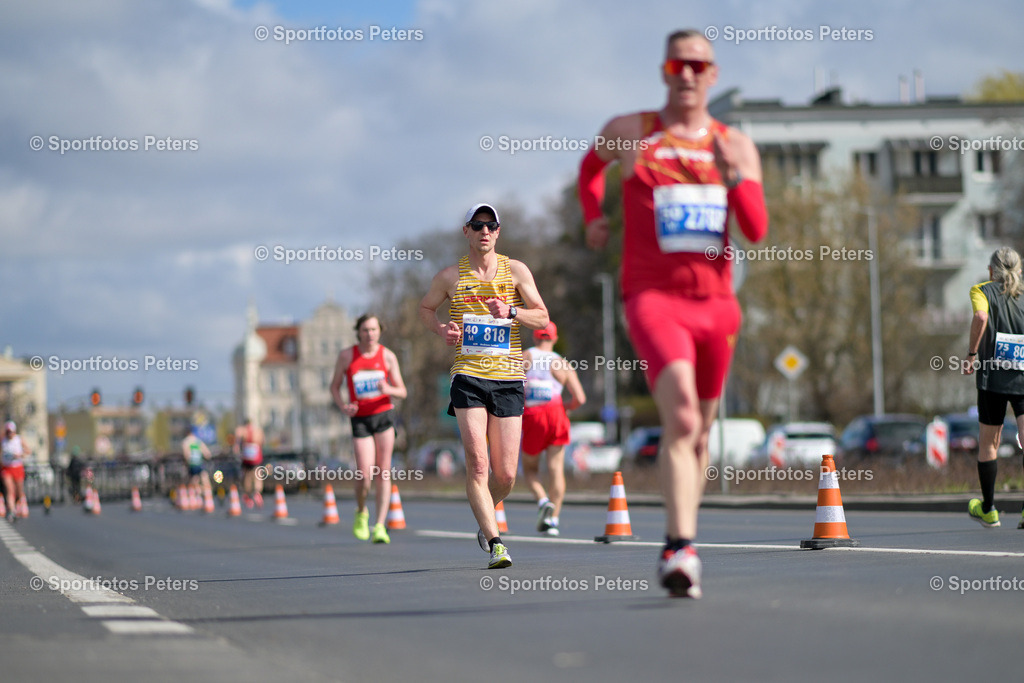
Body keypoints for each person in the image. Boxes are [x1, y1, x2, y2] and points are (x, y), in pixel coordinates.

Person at [579, 29, 768, 597]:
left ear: (712, 74)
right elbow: (589, 168)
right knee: (683, 418)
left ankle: (686, 537)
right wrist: (594, 216)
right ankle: (678, 546)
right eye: (677, 64)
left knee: (700, 432)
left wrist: (734, 181)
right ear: (664, 70)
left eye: (698, 65)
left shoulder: (736, 145)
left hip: (717, 307)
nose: (687, 73)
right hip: (653, 298)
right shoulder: (632, 131)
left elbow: (756, 230)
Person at [419, 203, 550, 568]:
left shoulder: (516, 271)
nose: (485, 231)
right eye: (477, 225)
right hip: (468, 376)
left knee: (505, 474)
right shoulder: (450, 277)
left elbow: (542, 317)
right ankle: (496, 543)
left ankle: (484, 515)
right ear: (466, 231)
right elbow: (426, 309)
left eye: (491, 225)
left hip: (508, 378)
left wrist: (512, 312)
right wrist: (441, 329)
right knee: (479, 464)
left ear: (498, 231)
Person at [330, 314, 408, 544]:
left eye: (374, 329)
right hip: (360, 419)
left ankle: (380, 525)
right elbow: (334, 386)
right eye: (365, 330)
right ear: (358, 332)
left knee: (384, 472)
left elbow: (402, 391)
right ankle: (361, 511)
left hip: (383, 416)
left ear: (380, 331)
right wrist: (343, 406)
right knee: (364, 474)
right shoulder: (347, 356)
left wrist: (388, 389)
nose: (370, 334)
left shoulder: (388, 356)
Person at [964, 247, 1024, 529]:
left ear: (991, 271)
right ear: (1019, 270)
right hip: (1022, 376)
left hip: (993, 377)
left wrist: (971, 354)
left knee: (989, 443)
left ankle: (988, 509)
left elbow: (980, 317)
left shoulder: (982, 290)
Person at [521, 321, 586, 536]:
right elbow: (580, 398)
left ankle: (542, 500)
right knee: (556, 469)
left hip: (533, 415)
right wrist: (565, 407)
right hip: (557, 413)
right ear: (555, 338)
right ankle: (553, 520)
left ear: (535, 337)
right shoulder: (563, 363)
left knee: (530, 468)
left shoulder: (525, 356)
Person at [1, 421, 29, 522]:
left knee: (19, 490)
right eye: (8, 432)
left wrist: (20, 454)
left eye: (11, 432)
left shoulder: (19, 439)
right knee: (10, 490)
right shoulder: (3, 440)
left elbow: (28, 450)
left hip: (17, 467)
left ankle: (19, 503)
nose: (10, 434)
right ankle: (12, 511)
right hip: (7, 468)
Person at [234, 418, 265, 508]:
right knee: (258, 475)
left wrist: (237, 449)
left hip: (247, 456)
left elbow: (237, 444)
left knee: (247, 476)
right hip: (256, 456)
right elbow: (262, 442)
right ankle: (257, 493)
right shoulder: (258, 431)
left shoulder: (242, 430)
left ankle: (248, 496)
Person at [182, 428, 212, 493]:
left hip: (192, 463)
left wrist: (186, 462)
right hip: (200, 463)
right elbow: (207, 453)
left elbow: (186, 454)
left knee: (195, 480)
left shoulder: (186, 441)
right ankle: (207, 492)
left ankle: (198, 492)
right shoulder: (197, 440)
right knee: (204, 477)